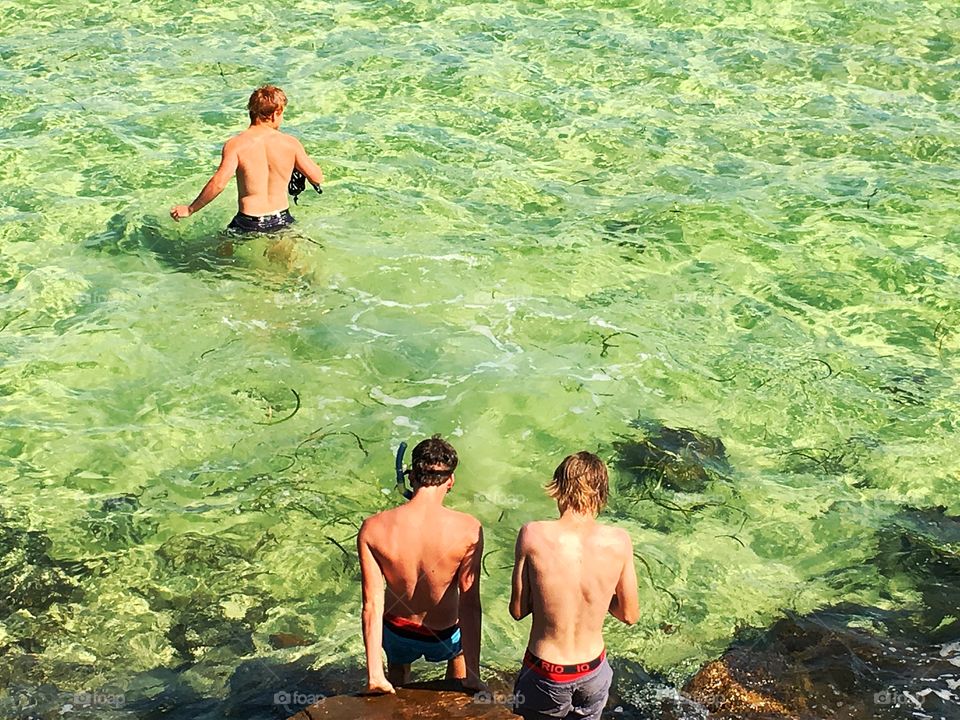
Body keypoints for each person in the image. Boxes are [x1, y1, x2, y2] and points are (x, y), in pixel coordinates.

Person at [510, 452, 639, 720]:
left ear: (559, 488)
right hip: (593, 670)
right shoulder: (620, 541)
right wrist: (598, 598)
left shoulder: (532, 534)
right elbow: (629, 615)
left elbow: (518, 610)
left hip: (547, 671)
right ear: (601, 494)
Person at [357, 435, 484, 694]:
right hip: (446, 633)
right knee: (456, 671)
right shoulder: (469, 528)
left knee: (397, 674)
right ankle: (462, 683)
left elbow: (371, 604)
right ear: (450, 481)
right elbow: (470, 605)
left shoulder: (373, 527)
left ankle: (383, 683)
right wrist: (474, 674)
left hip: (397, 631)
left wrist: (373, 674)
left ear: (411, 477)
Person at [169, 85, 324, 233]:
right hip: (281, 219)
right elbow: (317, 178)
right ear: (275, 113)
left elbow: (219, 183)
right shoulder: (291, 143)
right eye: (282, 113)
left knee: (223, 255)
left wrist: (191, 209)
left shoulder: (236, 144)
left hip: (249, 222)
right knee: (284, 259)